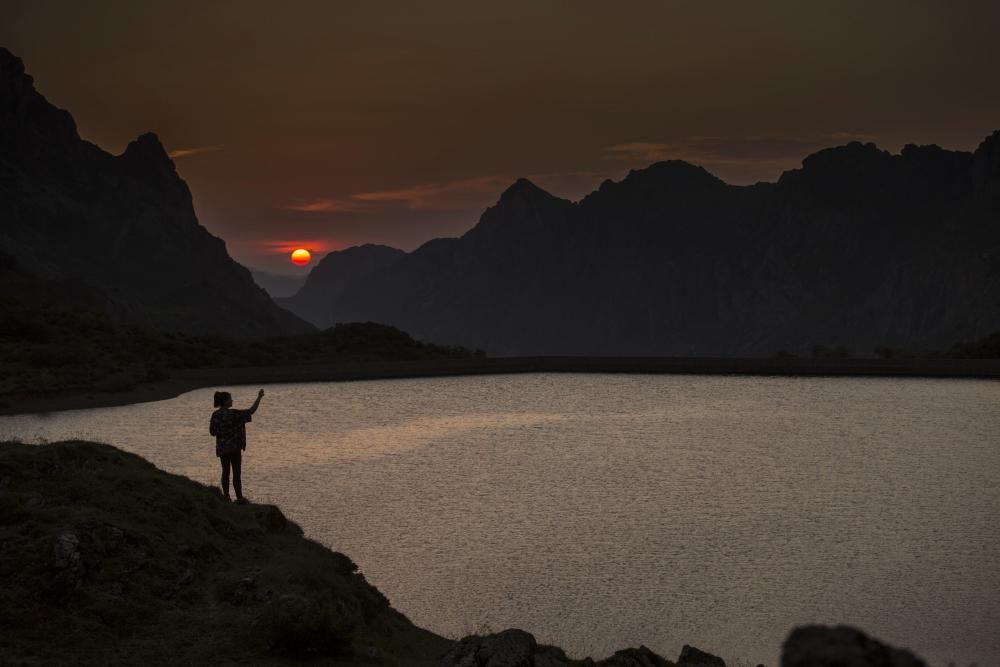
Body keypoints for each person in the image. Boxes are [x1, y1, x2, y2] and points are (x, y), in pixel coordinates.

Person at [209, 388, 264, 503]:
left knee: (225, 472)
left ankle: (226, 496)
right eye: (230, 399)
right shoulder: (234, 414)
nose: (232, 400)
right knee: (236, 473)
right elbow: (251, 411)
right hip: (234, 448)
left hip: (222, 449)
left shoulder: (215, 415)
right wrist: (259, 397)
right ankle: (239, 498)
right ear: (225, 401)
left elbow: (212, 432)